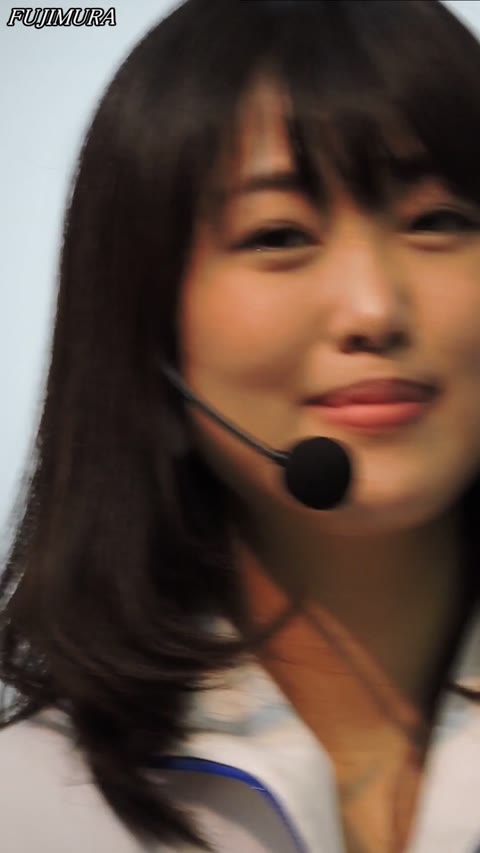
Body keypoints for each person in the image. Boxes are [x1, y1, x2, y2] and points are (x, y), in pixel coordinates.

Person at [2, 0, 480, 850]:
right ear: (146, 333)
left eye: (437, 220)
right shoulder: (26, 808)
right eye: (279, 235)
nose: (374, 307)